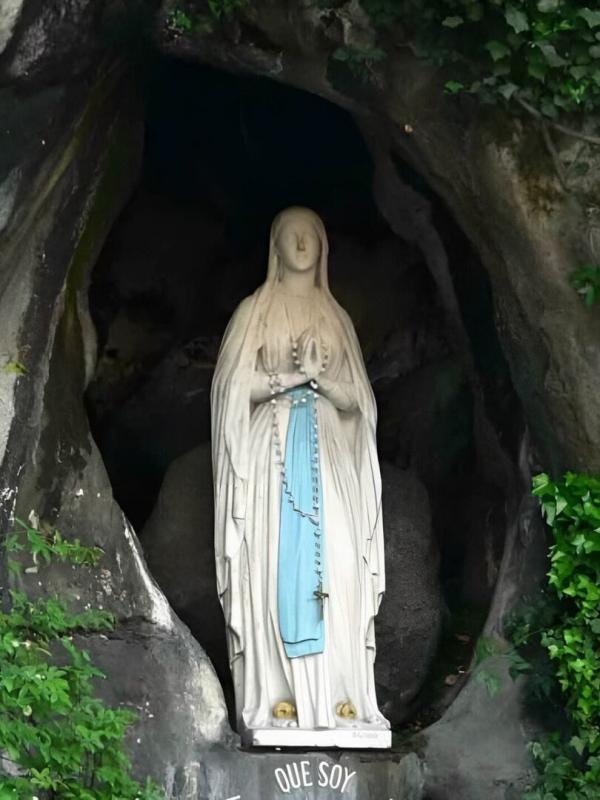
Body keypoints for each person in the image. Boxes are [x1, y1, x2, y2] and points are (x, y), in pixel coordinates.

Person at [211, 206, 389, 740]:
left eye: (312, 233)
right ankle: (279, 699)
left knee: (338, 567)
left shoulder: (337, 320)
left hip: (331, 458)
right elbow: (228, 392)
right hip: (273, 460)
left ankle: (342, 700)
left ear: (325, 245)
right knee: (273, 567)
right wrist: (288, 379)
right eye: (291, 234)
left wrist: (325, 385)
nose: (302, 242)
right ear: (275, 247)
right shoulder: (254, 312)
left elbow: (363, 403)